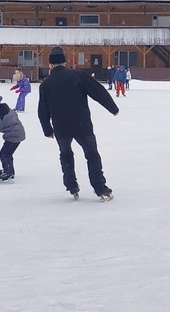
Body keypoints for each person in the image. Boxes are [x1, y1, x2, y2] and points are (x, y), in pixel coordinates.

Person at [37, 45, 119, 201]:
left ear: (50, 65)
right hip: (82, 124)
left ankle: (72, 186)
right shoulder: (77, 75)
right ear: (65, 61)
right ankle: (100, 187)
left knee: (66, 155)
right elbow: (98, 91)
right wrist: (112, 108)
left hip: (61, 127)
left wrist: (47, 129)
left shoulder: (46, 84)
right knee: (92, 155)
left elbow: (42, 109)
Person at [0, 92, 26, 183]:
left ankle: (8, 172)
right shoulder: (5, 109)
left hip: (14, 135)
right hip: (16, 133)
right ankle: (9, 170)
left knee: (4, 154)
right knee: (7, 153)